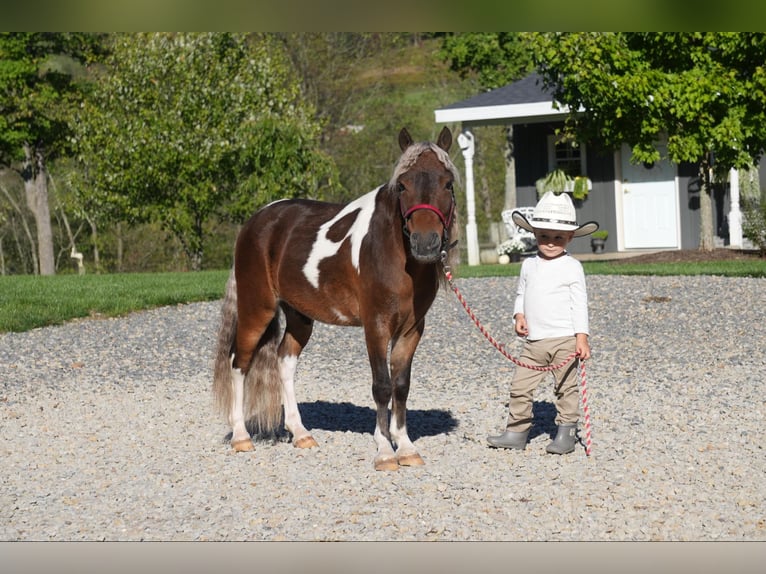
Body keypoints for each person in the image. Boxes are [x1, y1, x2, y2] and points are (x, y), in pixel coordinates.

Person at [487, 191, 598, 455]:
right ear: (534, 234)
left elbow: (579, 303)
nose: (550, 242)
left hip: (564, 340)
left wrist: (581, 338)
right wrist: (519, 315)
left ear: (570, 237)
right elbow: (522, 294)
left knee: (565, 388)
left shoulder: (572, 267)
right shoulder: (528, 265)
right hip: (534, 343)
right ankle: (517, 430)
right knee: (520, 386)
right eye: (544, 236)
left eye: (558, 237)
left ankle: (566, 432)